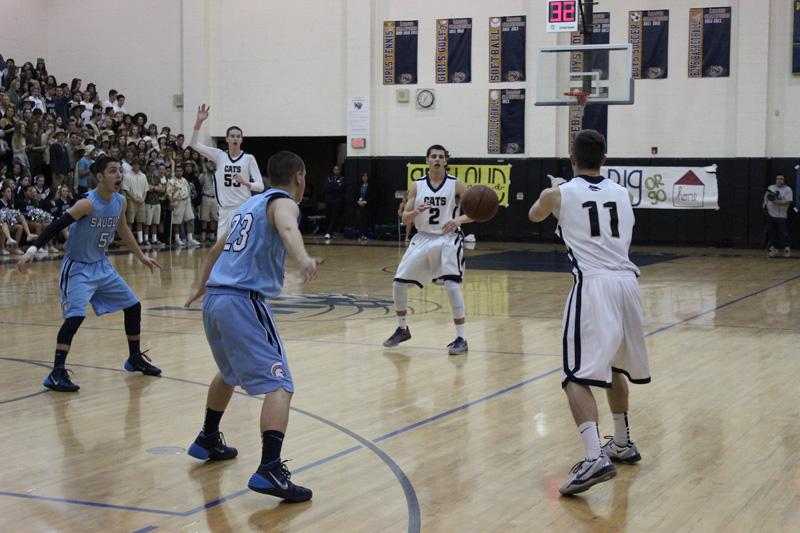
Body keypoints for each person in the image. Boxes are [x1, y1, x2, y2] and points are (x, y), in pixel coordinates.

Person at [184, 150, 323, 503]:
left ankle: (208, 437)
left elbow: (216, 249)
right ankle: (270, 468)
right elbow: (288, 226)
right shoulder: (283, 202)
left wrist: (201, 286)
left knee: (228, 371)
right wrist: (303, 257)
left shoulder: (248, 205)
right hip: (243, 302)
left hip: (216, 298)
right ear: (300, 177)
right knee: (280, 384)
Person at [528, 129, 651, 496]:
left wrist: (553, 192)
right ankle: (622, 442)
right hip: (628, 284)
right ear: (606, 159)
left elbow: (535, 215)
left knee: (574, 375)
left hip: (594, 284)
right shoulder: (624, 193)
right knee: (614, 366)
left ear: (572, 158)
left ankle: (595, 456)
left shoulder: (557, 193)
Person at [17, 156, 162, 392]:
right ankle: (56, 372)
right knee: (75, 317)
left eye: (120, 171)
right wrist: (31, 250)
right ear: (100, 177)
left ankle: (134, 358)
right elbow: (56, 225)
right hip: (78, 269)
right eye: (113, 171)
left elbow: (123, 229)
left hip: (102, 266)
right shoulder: (87, 203)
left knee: (133, 306)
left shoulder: (120, 202)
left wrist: (141, 256)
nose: (119, 175)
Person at [383, 145, 473, 355]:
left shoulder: (456, 184)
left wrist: (458, 219)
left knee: (452, 285)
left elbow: (475, 212)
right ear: (427, 161)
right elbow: (404, 217)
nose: (437, 160)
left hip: (448, 238)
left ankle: (461, 337)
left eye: (441, 157)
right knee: (398, 283)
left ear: (446, 162)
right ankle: (402, 328)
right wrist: (414, 212)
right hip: (422, 237)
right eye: (433, 157)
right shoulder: (417, 186)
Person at [190, 104, 264, 238]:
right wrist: (199, 121)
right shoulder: (219, 156)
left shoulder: (249, 158)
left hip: (243, 208)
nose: (235, 138)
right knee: (222, 249)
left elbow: (260, 186)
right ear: (227, 139)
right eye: (232, 136)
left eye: (238, 136)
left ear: (241, 139)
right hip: (224, 210)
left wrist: (247, 183)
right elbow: (194, 144)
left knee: (241, 247)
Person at [763, 174, 793, 258]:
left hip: (782, 215)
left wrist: (775, 201)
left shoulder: (788, 189)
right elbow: (766, 195)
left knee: (783, 232)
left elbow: (787, 201)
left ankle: (786, 248)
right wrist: (765, 203)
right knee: (771, 231)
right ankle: (773, 248)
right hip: (771, 213)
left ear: (784, 180)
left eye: (781, 179)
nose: (779, 180)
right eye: (777, 179)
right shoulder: (771, 187)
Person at [198, 160, 219, 241]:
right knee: (204, 218)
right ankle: (203, 236)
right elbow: (200, 182)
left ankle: (212, 235)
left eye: (212, 165)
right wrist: (204, 173)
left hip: (214, 198)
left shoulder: (217, 175)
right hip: (206, 197)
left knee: (214, 218)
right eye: (209, 165)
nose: (211, 167)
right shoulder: (203, 175)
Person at [322, 165, 344, 239]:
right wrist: (335, 186)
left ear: (340, 171)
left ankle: (329, 232)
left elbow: (340, 188)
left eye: (337, 169)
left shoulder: (342, 178)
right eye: (334, 169)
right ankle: (326, 231)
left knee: (334, 217)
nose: (336, 171)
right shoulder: (329, 178)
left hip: (337, 201)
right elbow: (326, 188)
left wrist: (332, 186)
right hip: (328, 200)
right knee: (327, 216)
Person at [355, 171, 373, 240]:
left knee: (365, 221)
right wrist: (358, 201)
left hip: (366, 206)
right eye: (363, 176)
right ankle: (360, 234)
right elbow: (355, 195)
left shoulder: (370, 186)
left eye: (366, 176)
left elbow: (371, 196)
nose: (364, 178)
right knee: (359, 220)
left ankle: (365, 235)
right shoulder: (359, 185)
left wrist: (366, 202)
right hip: (359, 205)